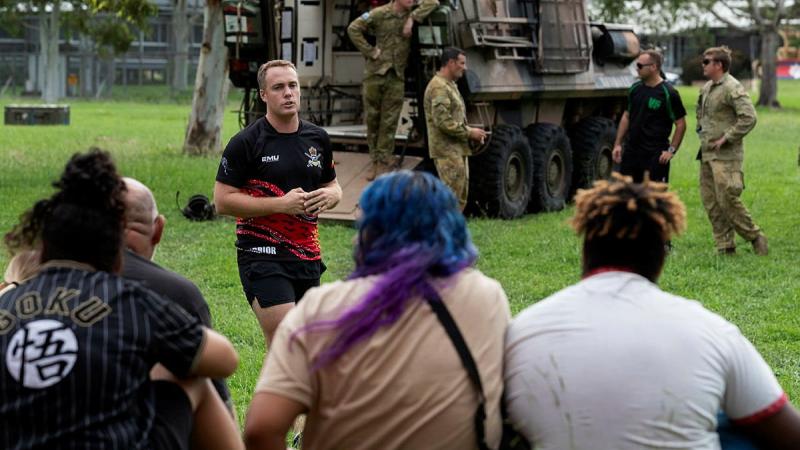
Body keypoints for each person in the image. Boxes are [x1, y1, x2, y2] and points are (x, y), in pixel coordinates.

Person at [504, 174, 800, 450]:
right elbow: (786, 430)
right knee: (730, 416)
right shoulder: (712, 332)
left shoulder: (522, 330)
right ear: (660, 257)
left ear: (585, 251)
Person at [244, 171, 510, 450]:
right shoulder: (487, 297)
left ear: (370, 233)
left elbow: (261, 429)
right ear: (451, 228)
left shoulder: (322, 308)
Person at [0, 149, 242, 450]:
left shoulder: (6, 302)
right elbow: (225, 360)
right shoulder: (132, 301)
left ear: (43, 249)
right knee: (188, 374)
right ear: (118, 256)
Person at [214, 59, 342, 346]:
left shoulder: (317, 138)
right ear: (263, 94)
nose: (288, 93)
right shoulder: (246, 143)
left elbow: (332, 185)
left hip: (306, 255)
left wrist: (334, 195)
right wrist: (280, 204)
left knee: (307, 345)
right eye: (279, 87)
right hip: (262, 253)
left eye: (293, 86)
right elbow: (222, 201)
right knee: (286, 341)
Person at [121, 176, 234, 414]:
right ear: (158, 229)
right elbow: (224, 362)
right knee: (195, 376)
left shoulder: (40, 286)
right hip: (138, 431)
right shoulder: (174, 293)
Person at [348, 0, 439, 180]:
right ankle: (375, 160)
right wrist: (370, 51)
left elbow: (434, 1)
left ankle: (383, 161)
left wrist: (412, 18)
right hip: (375, 74)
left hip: (396, 76)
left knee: (389, 121)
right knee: (373, 119)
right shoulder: (380, 13)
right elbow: (353, 28)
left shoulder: (410, 11)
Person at [696, 46, 767, 255]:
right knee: (711, 202)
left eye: (706, 61)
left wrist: (726, 138)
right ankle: (725, 246)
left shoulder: (731, 87)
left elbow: (749, 117)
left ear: (719, 65)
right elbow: (701, 114)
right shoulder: (708, 87)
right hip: (707, 153)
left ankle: (755, 236)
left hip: (726, 156)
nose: (703, 64)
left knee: (727, 199)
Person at [424, 47, 487, 211]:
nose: (465, 68)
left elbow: (454, 118)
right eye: (462, 63)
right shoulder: (439, 87)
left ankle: (452, 234)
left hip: (457, 150)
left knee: (458, 200)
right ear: (451, 63)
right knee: (450, 201)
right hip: (447, 152)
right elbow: (443, 121)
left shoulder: (450, 85)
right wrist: (469, 132)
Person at [612, 49, 687, 183]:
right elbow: (627, 116)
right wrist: (618, 144)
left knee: (653, 199)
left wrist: (671, 151)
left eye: (640, 66)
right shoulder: (634, 89)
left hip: (655, 155)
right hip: (631, 153)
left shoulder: (669, 93)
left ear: (653, 67)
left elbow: (680, 124)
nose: (637, 69)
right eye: (636, 65)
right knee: (627, 197)